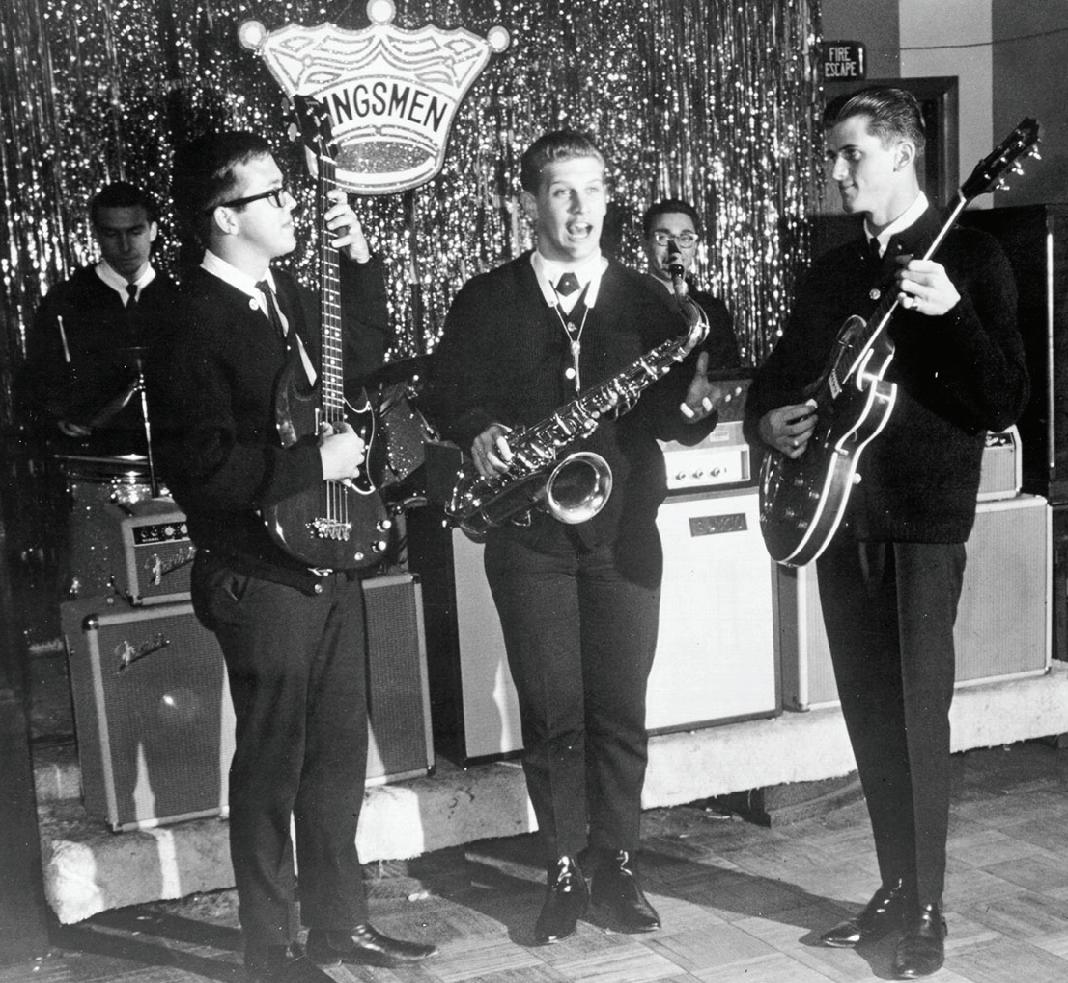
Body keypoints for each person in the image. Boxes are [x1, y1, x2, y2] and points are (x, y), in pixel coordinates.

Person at [744, 87, 1028, 980]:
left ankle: (929, 906)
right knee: (869, 714)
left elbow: (1003, 400)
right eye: (833, 154)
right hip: (840, 517)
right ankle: (896, 885)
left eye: (851, 153)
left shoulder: (971, 257)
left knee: (915, 715)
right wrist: (767, 422)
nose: (836, 171)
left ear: (902, 153)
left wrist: (953, 314)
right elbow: (780, 376)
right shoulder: (832, 271)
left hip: (921, 523)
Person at [146, 131, 435, 983]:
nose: (288, 204)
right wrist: (316, 463)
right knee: (272, 767)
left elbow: (364, 357)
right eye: (271, 193)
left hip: (329, 560)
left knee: (337, 759)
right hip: (259, 574)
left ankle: (339, 924)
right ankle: (269, 948)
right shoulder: (187, 320)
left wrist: (359, 255)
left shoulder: (286, 295)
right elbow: (202, 469)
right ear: (224, 217)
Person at [422, 129, 723, 945]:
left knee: (620, 707)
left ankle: (617, 863)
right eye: (562, 190)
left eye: (593, 189)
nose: (581, 207)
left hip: (624, 537)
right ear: (528, 204)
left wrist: (695, 414)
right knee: (552, 710)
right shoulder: (485, 298)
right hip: (528, 535)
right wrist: (478, 429)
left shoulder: (651, 303)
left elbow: (671, 414)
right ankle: (561, 865)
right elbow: (443, 390)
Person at [21, 181, 179, 456]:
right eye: (111, 234)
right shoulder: (64, 301)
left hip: (175, 460)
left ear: (153, 231)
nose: (125, 246)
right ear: (96, 234)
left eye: (135, 232)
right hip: (94, 460)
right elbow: (35, 385)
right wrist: (58, 418)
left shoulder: (183, 300)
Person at [641, 197, 740, 370]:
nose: (675, 249)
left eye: (685, 238)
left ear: (695, 246)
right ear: (645, 244)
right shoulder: (622, 304)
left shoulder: (714, 309)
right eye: (662, 237)